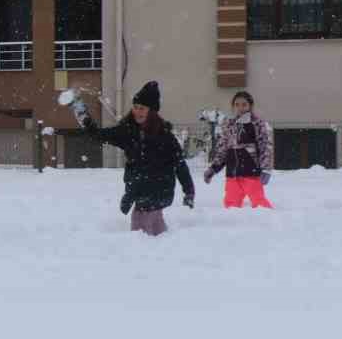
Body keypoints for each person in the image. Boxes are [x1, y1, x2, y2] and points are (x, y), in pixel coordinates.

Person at [73, 80, 195, 237]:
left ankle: (145, 257)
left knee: (140, 234)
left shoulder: (165, 136)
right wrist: (80, 111)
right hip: (142, 191)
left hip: (157, 189)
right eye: (136, 107)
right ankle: (164, 252)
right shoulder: (128, 131)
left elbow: (180, 164)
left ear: (152, 111)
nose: (138, 112)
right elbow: (98, 135)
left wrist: (189, 191)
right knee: (157, 231)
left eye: (142, 108)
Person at [204, 90, 274, 209]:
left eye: (244, 104)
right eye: (237, 104)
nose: (240, 107)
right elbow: (223, 149)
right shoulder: (229, 124)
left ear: (250, 106)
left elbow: (265, 147)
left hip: (251, 172)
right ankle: (233, 226)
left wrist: (266, 169)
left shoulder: (257, 123)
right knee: (230, 204)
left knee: (260, 203)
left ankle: (266, 224)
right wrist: (213, 169)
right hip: (233, 174)